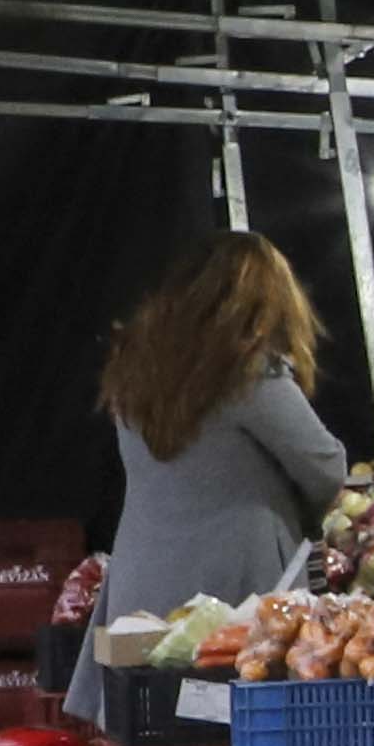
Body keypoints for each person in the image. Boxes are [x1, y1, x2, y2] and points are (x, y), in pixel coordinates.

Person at [77, 235, 348, 714]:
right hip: (233, 585)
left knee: (149, 724)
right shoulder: (248, 371)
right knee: (226, 728)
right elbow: (324, 465)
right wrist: (304, 516)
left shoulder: (133, 368)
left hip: (142, 578)